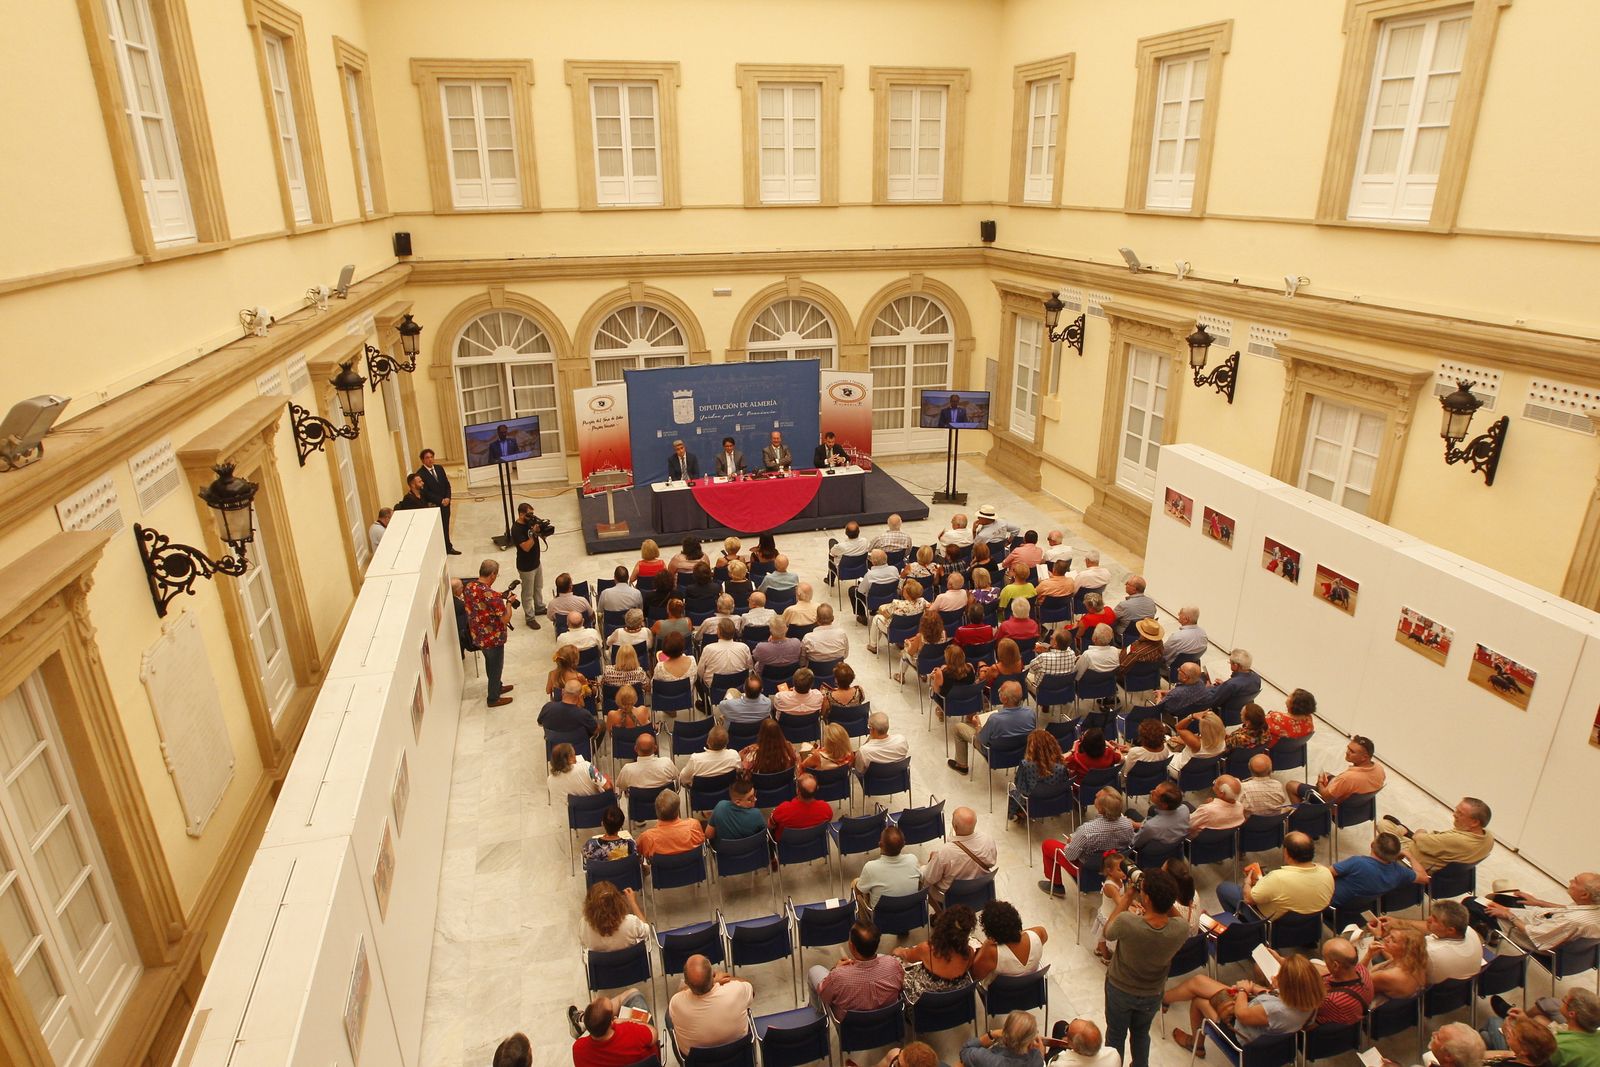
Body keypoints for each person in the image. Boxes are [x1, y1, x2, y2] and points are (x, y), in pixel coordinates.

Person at [1101, 869, 1187, 1067]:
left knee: (1115, 1035)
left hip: (1120, 989)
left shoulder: (1128, 922)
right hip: (1152, 992)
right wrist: (1167, 900)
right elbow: (1180, 919)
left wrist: (1129, 894)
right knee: (1141, 1034)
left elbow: (1108, 931)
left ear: (1146, 898)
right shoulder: (1179, 929)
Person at [1166, 954, 1325, 1056]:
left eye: (1280, 975)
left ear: (1290, 987)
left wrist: (1242, 990)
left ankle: (1196, 1044)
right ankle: (1164, 999)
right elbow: (1276, 1000)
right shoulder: (1309, 1001)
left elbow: (1241, 1014)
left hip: (1241, 1034)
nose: (1274, 976)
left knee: (1199, 1000)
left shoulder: (1274, 1009)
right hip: (1264, 1030)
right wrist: (1256, 989)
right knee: (1199, 982)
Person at [1216, 831, 1333, 919]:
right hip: (1307, 923)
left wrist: (1247, 883)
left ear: (1286, 853)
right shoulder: (1326, 872)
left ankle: (1244, 924)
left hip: (1270, 921)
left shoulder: (1278, 878)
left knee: (1224, 889)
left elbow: (1249, 899)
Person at [1041, 786, 1134, 895]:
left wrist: (1071, 842)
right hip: (1113, 867)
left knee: (1047, 844)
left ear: (1100, 809)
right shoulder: (1128, 824)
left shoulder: (1086, 831)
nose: (1095, 795)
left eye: (1096, 797)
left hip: (1086, 871)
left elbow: (1070, 856)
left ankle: (1056, 885)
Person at [1380, 796, 1495, 883]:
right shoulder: (1488, 838)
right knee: (1398, 830)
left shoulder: (1456, 840)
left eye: (1460, 813)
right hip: (1438, 858)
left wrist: (1419, 833)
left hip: (1415, 860)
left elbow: (1421, 840)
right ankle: (1403, 831)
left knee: (1384, 825)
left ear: (1475, 822)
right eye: (1456, 810)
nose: (1454, 815)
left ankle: (1403, 832)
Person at [1479, 872, 1600, 952]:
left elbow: (1533, 933)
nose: (1570, 881)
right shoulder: (1594, 908)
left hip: (1533, 937)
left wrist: (1509, 915)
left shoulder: (1572, 920)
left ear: (1584, 894)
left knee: (1472, 902)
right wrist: (1538, 902)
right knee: (1508, 893)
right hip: (1545, 924)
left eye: (1575, 881)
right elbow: (1568, 909)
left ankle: (1489, 933)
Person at [1369, 900, 1485, 983]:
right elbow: (1427, 927)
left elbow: (1397, 961)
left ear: (1450, 930)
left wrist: (1380, 938)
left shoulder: (1430, 952)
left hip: (1428, 990)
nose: (1428, 920)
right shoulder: (1469, 931)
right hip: (1464, 986)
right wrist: (1399, 922)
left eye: (1434, 920)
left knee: (1374, 951)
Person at [809, 920, 905, 1019]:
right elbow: (901, 988)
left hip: (850, 1029)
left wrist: (835, 969)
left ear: (852, 946)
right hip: (887, 1022)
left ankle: (818, 1018)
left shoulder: (838, 976)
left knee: (814, 970)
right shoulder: (893, 964)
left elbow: (824, 996)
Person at [668, 955, 753, 1055]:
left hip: (697, 1062)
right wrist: (720, 981)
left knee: (668, 1016)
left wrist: (713, 981)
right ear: (713, 974)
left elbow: (681, 993)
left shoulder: (677, 1002)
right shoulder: (736, 990)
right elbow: (750, 988)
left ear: (686, 983)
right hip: (738, 1056)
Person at [893, 904, 979, 1003]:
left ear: (942, 925)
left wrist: (898, 951)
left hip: (924, 1001)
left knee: (895, 964)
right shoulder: (970, 953)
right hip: (954, 1001)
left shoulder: (927, 949)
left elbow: (909, 957)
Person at [950, 680, 1035, 775]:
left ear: (1005, 699)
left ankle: (961, 765)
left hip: (994, 755)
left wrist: (977, 725)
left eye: (1000, 691)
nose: (998, 691)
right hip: (1020, 753)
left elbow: (981, 740)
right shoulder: (1030, 713)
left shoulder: (995, 719)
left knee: (958, 727)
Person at [462, 559, 515, 707]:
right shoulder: (493, 597)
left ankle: (497, 686)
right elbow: (505, 619)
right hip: (493, 639)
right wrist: (509, 603)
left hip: (478, 636)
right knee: (495, 667)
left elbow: (482, 598)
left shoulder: (469, 587)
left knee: (490, 664)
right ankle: (493, 697)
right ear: (492, 574)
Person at [921, 806, 999, 905]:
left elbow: (929, 878)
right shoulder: (988, 840)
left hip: (952, 897)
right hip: (979, 890)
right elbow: (991, 863)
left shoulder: (945, 852)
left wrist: (933, 861)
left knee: (923, 873)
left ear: (955, 827)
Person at [1331, 831, 1417, 911]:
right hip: (1355, 909)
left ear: (1372, 845)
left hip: (1329, 903)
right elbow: (1424, 878)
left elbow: (1326, 873)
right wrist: (1410, 856)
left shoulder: (1357, 863)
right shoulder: (1399, 872)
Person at [570, 991, 660, 1067]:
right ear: (611, 1022)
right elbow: (654, 1034)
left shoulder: (579, 1049)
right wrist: (628, 1020)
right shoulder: (631, 1031)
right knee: (634, 994)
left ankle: (581, 1019)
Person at [1291, 735, 1386, 804]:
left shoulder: (1348, 778)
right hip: (1356, 805)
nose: (1347, 752)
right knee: (1327, 775)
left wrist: (1320, 782)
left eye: (1352, 752)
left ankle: (1300, 816)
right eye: (1348, 748)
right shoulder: (1379, 769)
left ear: (1364, 757)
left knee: (1291, 785)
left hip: (1336, 807)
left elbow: (1325, 797)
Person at [971, 899, 1049, 982]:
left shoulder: (992, 953)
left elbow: (975, 976)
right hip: (1031, 989)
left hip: (1000, 993)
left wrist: (987, 943)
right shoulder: (1039, 933)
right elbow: (1027, 934)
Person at [1307, 937, 1374, 1025]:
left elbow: (1307, 1012)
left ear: (1335, 965)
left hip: (1324, 1028)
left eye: (1325, 958)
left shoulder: (1331, 1000)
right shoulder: (1362, 970)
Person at [854, 825, 920, 907]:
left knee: (855, 883)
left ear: (880, 845)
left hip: (880, 919)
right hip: (911, 913)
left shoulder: (870, 867)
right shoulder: (913, 860)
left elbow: (860, 890)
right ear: (903, 844)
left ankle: (863, 919)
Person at [1010, 729, 1068, 821]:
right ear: (1052, 744)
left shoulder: (1025, 765)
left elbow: (1019, 786)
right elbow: (1064, 785)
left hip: (1031, 801)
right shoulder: (1061, 767)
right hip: (1053, 800)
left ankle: (1021, 813)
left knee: (1013, 791)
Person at [1361, 925, 1430, 999]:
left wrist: (1368, 956)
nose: (1385, 938)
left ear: (1406, 949)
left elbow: (1353, 979)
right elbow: (1392, 957)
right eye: (1389, 935)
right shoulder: (1415, 962)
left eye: (1393, 940)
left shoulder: (1386, 976)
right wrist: (1379, 937)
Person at [580, 880, 649, 951]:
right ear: (618, 901)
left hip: (602, 962)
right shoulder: (631, 922)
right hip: (629, 961)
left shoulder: (584, 923)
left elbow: (583, 942)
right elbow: (646, 931)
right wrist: (633, 902)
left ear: (589, 905)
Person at [508, 502, 547, 626]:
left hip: (536, 562)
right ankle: (530, 617)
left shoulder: (530, 523)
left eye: (532, 514)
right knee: (527, 593)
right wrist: (533, 534)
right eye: (529, 514)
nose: (531, 517)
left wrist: (541, 530)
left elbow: (541, 535)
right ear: (521, 514)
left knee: (538, 587)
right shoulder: (516, 529)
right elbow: (526, 547)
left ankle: (539, 607)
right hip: (526, 567)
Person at [961, 1011, 1047, 1067]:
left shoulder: (986, 1058)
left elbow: (965, 1050)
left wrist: (991, 1034)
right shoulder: (1036, 1060)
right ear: (1029, 1042)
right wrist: (1041, 1054)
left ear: (1004, 1033)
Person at [637, 790, 706, 859]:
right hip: (693, 868)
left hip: (662, 869)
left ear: (656, 811)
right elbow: (701, 842)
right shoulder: (693, 826)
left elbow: (637, 853)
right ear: (678, 809)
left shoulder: (647, 837)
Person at [415, 448, 460, 554]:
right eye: (427, 458)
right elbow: (426, 492)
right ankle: (439, 550)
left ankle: (448, 547)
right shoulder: (420, 474)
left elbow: (447, 485)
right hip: (435, 504)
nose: (430, 460)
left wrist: (448, 498)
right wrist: (440, 500)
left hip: (446, 503)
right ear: (422, 460)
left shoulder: (439, 468)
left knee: (446, 526)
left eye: (431, 457)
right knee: (437, 528)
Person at [867, 578, 928, 654]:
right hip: (913, 630)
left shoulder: (897, 603)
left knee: (877, 618)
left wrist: (881, 610)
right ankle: (900, 642)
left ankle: (873, 646)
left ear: (907, 594)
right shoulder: (922, 601)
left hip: (895, 631)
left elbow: (886, 613)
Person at [769, 773, 832, 839]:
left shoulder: (783, 809)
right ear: (817, 789)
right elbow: (829, 820)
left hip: (787, 847)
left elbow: (771, 825)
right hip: (815, 844)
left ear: (798, 791)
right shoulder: (826, 808)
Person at [1130, 781, 1190, 850]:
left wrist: (1126, 826)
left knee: (1130, 812)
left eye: (1155, 793)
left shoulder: (1151, 826)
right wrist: (1137, 825)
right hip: (1172, 845)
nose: (1151, 791)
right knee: (1152, 809)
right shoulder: (1185, 809)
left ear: (1164, 805)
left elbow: (1135, 842)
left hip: (1149, 852)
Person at [1167, 709, 1226, 778]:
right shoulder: (1223, 743)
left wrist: (1192, 716)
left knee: (1164, 744)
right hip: (1201, 771)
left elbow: (1179, 728)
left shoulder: (1196, 743)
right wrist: (1186, 742)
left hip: (1179, 771)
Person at [706, 778, 767, 844]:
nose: (755, 799)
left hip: (724, 852)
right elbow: (764, 836)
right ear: (738, 802)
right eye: (750, 798)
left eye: (754, 795)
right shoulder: (756, 814)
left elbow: (708, 835)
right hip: (752, 851)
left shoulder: (720, 806)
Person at [698, 618, 752, 686]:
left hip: (714, 687)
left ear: (718, 632)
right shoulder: (744, 647)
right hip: (739, 685)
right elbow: (749, 669)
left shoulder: (708, 649)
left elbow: (700, 672)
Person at [1045, 1018, 1121, 1067]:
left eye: (1067, 1030)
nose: (1066, 1029)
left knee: (1060, 1025)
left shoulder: (1059, 1064)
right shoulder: (1114, 1054)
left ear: (1073, 1046)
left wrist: (1041, 1056)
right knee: (1061, 1025)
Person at [1209, 648, 1262, 717]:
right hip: (1240, 711)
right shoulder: (1257, 678)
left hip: (1224, 713)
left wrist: (1208, 687)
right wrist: (1224, 685)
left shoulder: (1231, 684)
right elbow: (1239, 692)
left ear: (1236, 665)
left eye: (1230, 663)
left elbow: (1213, 702)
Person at [827, 521, 870, 585]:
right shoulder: (865, 541)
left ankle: (830, 580)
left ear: (846, 532)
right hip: (861, 569)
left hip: (843, 572)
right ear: (859, 532)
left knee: (832, 543)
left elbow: (832, 553)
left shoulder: (841, 546)